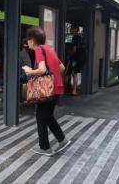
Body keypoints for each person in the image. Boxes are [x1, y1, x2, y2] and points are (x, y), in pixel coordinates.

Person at [23, 27, 71, 156]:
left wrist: (30, 71)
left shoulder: (39, 49)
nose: (27, 42)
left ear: (32, 40)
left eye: (28, 39)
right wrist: (52, 79)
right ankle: (62, 139)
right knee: (48, 116)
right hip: (57, 88)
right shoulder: (50, 49)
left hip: (47, 90)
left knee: (40, 117)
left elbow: (43, 69)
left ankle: (45, 148)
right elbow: (61, 68)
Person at [66, 25, 83, 96]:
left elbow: (74, 49)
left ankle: (73, 90)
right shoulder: (79, 37)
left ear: (76, 30)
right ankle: (73, 89)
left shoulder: (75, 38)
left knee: (70, 73)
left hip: (74, 58)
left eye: (71, 29)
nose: (70, 31)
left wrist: (70, 55)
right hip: (77, 58)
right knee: (73, 74)